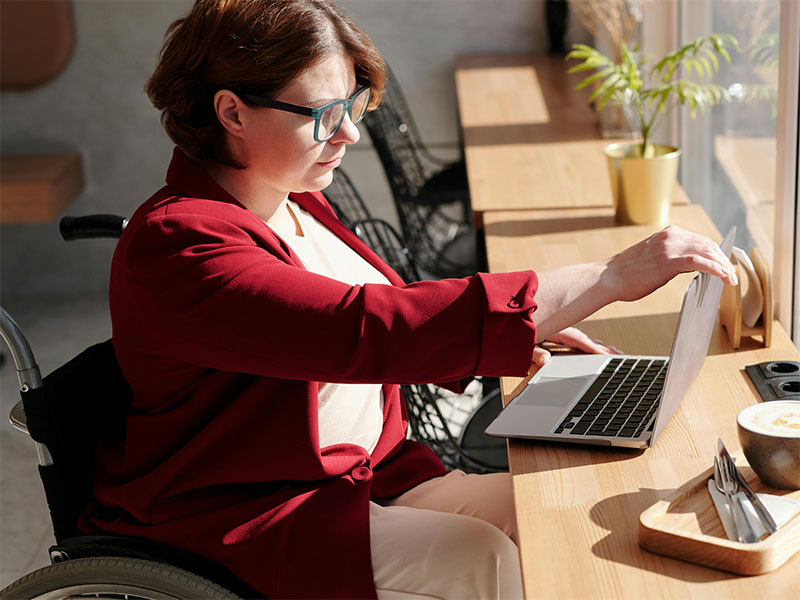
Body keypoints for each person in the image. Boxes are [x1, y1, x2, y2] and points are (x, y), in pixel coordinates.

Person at [78, 1, 738, 599]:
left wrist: (532, 326)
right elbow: (367, 328)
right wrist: (609, 277)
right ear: (232, 112)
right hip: (254, 509)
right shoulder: (179, 244)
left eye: (352, 106)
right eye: (323, 115)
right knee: (482, 557)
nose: (348, 134)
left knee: (554, 508)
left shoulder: (290, 198)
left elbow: (384, 303)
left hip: (368, 474)